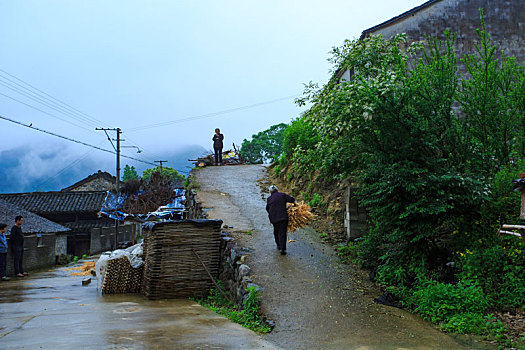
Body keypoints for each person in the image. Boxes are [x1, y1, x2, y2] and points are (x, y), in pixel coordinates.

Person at [266, 185, 294, 255]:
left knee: (276, 231)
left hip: (274, 218)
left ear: (270, 192)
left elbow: (267, 208)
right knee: (282, 233)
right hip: (283, 217)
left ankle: (278, 245)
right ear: (277, 190)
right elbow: (291, 200)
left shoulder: (269, 198)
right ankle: (282, 248)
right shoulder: (282, 195)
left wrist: (272, 213)